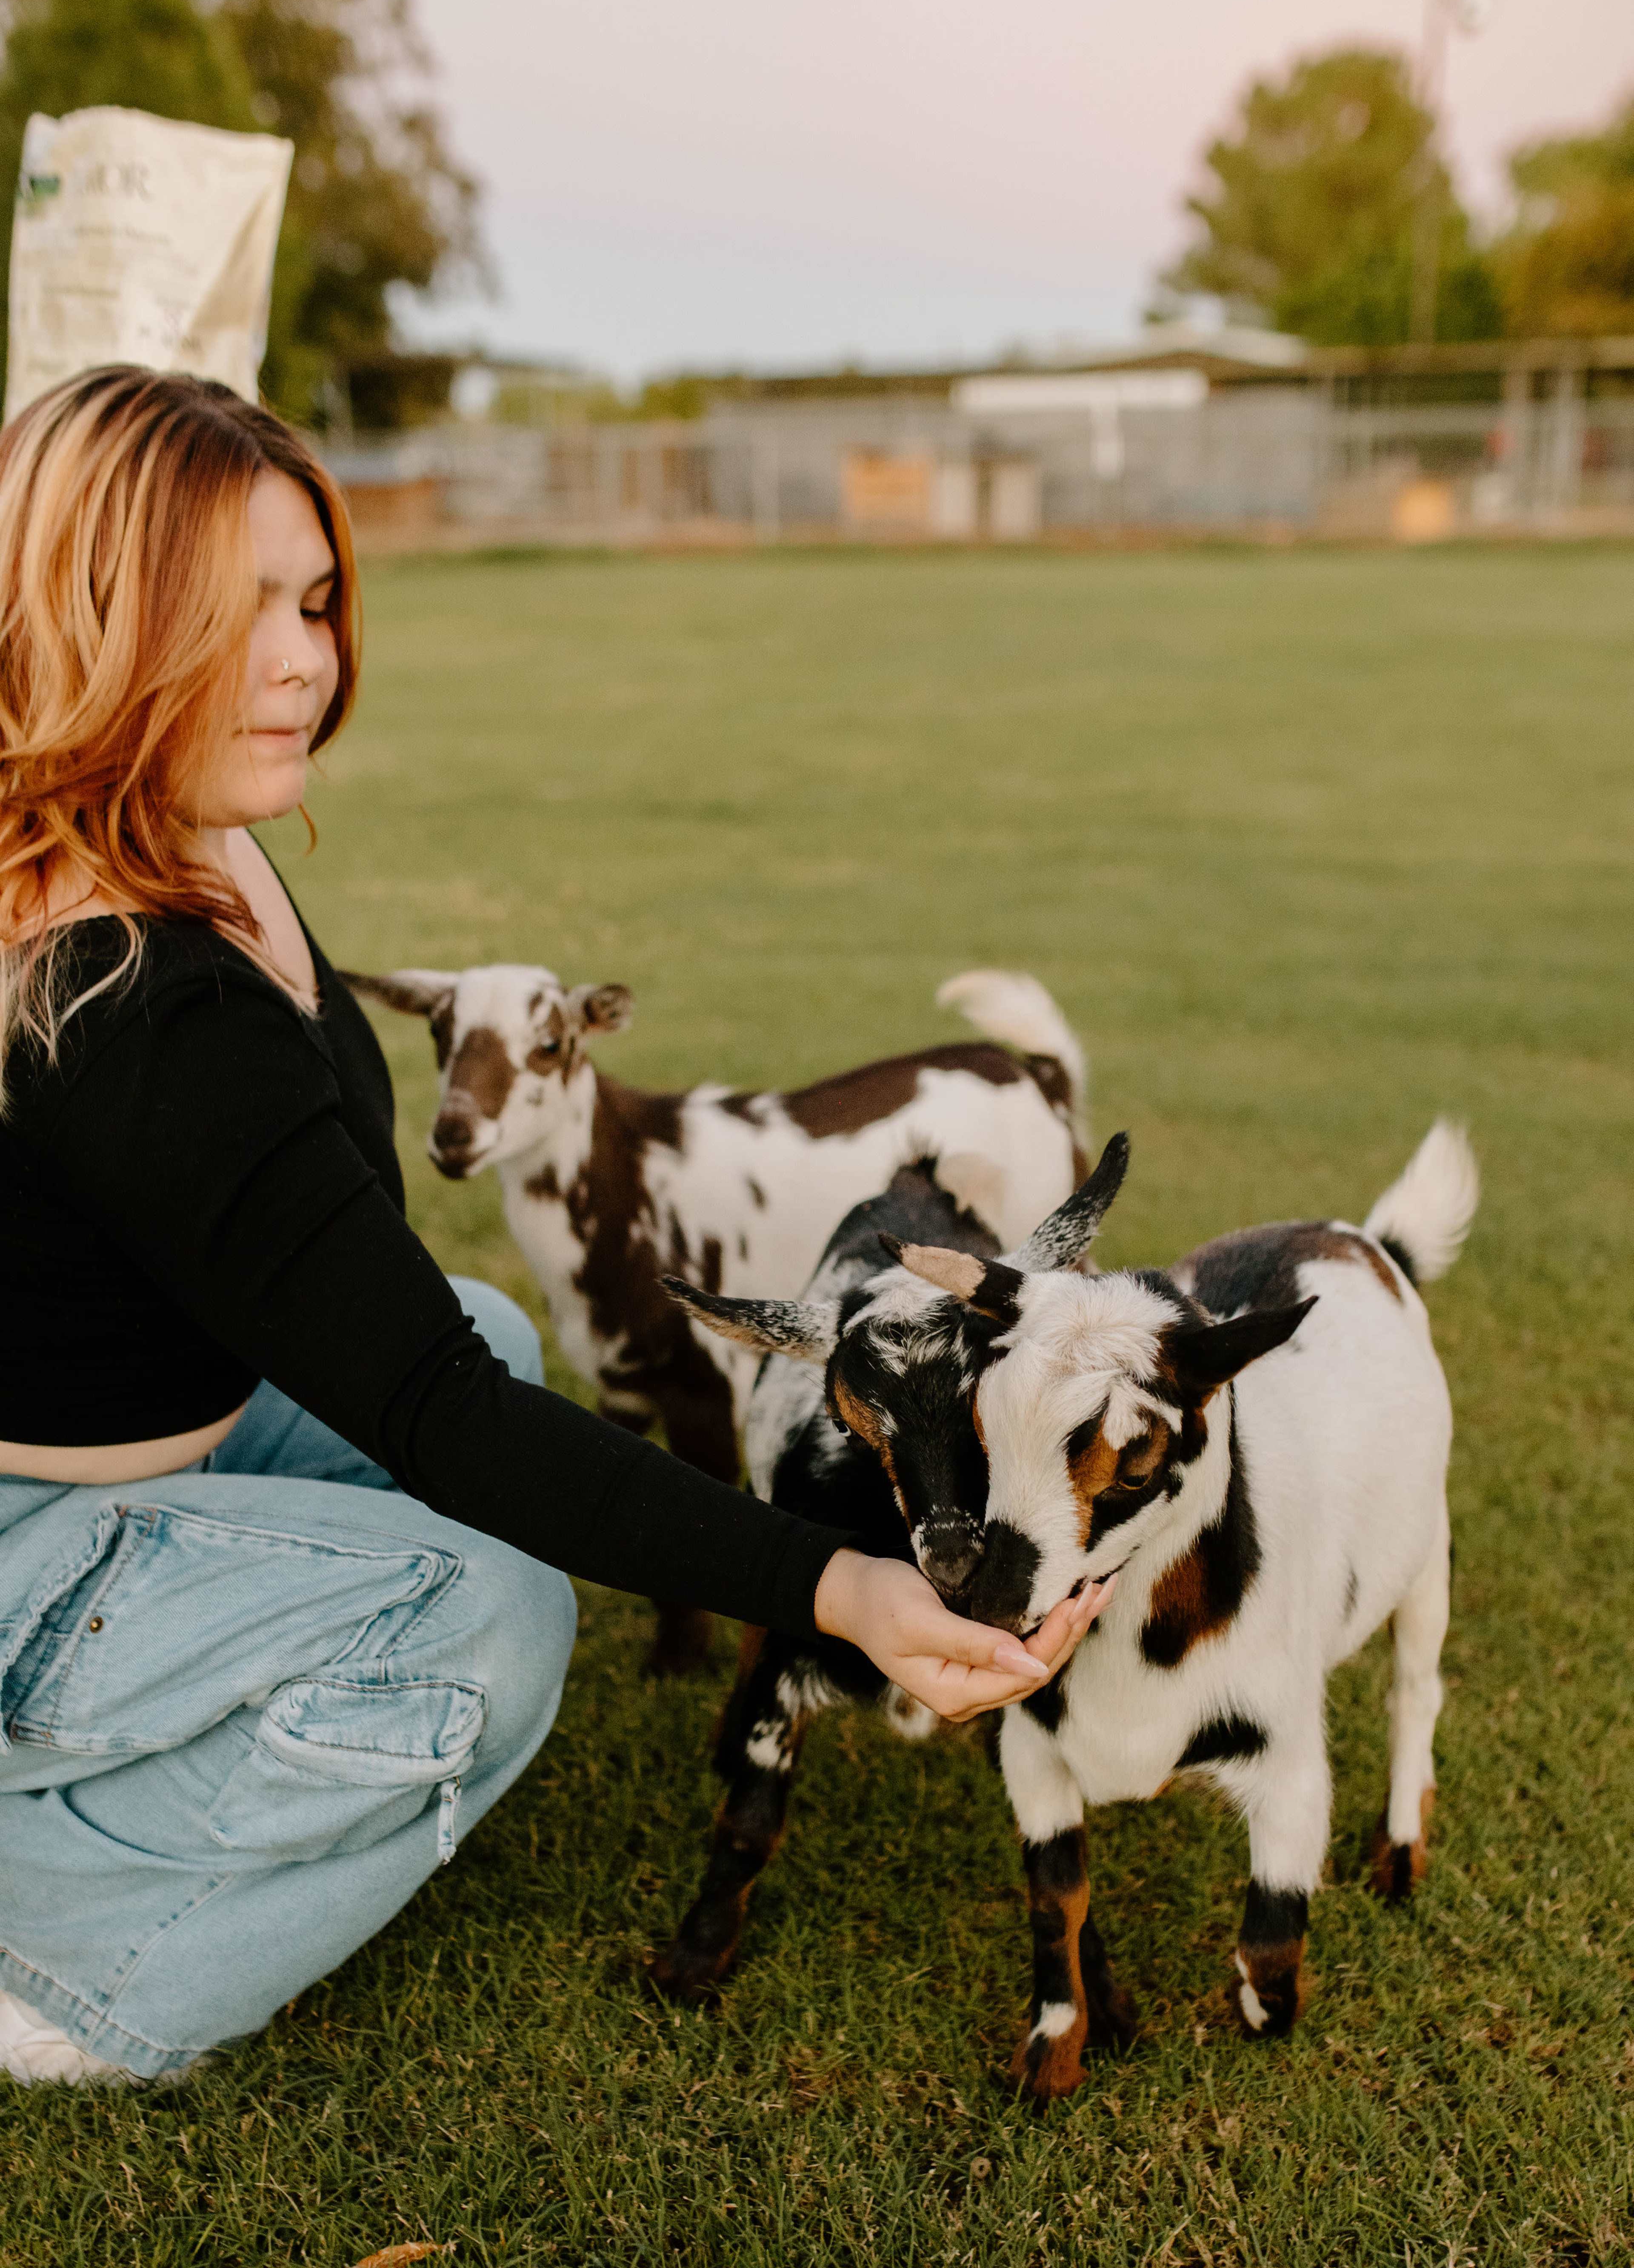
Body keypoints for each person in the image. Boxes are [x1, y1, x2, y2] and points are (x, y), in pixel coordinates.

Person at [0, 368, 1102, 2088]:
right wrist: (843, 1586)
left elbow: (407, 1322)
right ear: (100, 624)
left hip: (137, 1448)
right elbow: (439, 1414)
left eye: (313, 600)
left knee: (497, 1332)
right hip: (26, 1548)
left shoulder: (181, 830)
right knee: (490, 1614)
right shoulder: (128, 995)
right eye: (233, 618)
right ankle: (78, 1976)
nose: (308, 658)